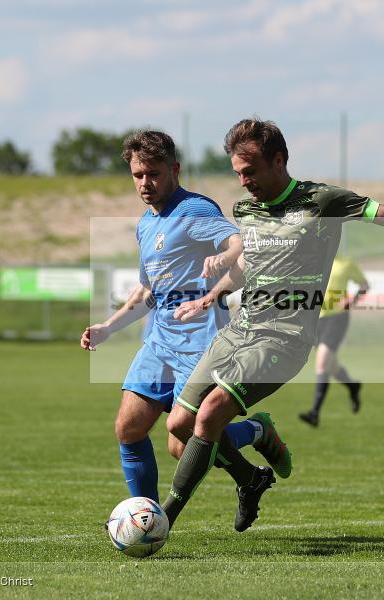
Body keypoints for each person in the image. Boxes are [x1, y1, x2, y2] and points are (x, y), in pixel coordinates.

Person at [161, 117, 384, 532]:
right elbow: (250, 264)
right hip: (237, 332)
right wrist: (210, 297)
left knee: (211, 414)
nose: (244, 182)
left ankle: (161, 521)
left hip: (283, 338)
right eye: (237, 173)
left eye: (250, 171)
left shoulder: (322, 201)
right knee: (179, 429)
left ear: (278, 160)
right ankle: (251, 471)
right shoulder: (246, 210)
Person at [80, 130, 292, 503]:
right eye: (138, 175)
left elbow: (240, 243)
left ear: (174, 170)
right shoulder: (146, 224)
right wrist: (107, 328)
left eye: (154, 174)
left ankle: (256, 431)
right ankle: (147, 516)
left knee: (184, 446)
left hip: (201, 344)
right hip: (160, 342)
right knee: (128, 428)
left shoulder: (194, 209)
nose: (145, 183)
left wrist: (225, 257)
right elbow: (147, 291)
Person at [299, 255, 368, 427]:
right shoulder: (316, 261)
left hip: (337, 318)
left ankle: (314, 413)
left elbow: (364, 285)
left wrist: (352, 301)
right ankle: (352, 386)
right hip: (317, 319)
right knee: (330, 365)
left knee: (322, 363)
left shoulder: (346, 263)